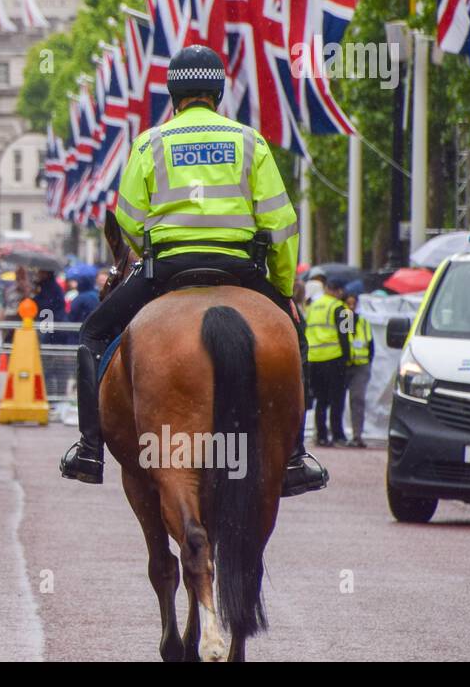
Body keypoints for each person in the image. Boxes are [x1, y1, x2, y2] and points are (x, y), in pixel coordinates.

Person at [59, 44, 327, 498]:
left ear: (173, 93)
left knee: (92, 334)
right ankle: (297, 455)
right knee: (293, 336)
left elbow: (127, 218)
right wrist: (282, 291)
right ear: (219, 92)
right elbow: (281, 223)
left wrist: (154, 245)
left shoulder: (151, 142)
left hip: (168, 268)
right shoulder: (250, 142)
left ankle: (89, 448)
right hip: (241, 268)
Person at [308, 277, 353, 447]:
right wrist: (348, 359)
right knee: (337, 399)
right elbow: (347, 335)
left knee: (321, 399)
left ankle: (321, 435)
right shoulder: (342, 308)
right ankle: (338, 435)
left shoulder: (312, 307)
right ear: (339, 291)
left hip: (315, 359)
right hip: (334, 358)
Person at [344, 293, 373, 448]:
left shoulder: (362, 322)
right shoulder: (347, 320)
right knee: (339, 401)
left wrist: (367, 363)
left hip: (361, 366)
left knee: (358, 399)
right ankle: (340, 433)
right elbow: (344, 339)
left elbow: (371, 346)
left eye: (353, 303)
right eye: (348, 303)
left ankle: (357, 435)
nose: (351, 307)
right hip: (347, 365)